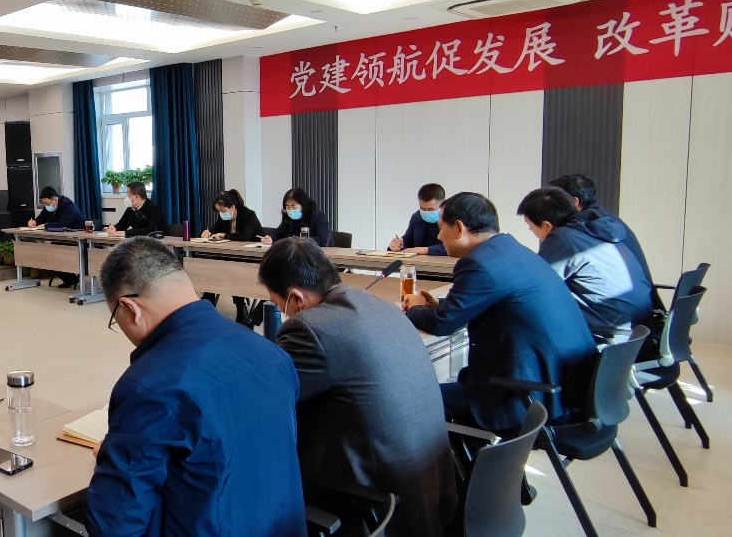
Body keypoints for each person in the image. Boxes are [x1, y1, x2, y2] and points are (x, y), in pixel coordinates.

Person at [87, 237, 306, 536]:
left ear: (130, 308)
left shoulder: (148, 385)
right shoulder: (273, 354)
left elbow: (114, 526)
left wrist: (110, 460)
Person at [258, 238, 456, 537]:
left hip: (379, 510)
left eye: (277, 303)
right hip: (432, 496)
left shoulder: (309, 328)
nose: (282, 312)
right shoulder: (385, 307)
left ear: (296, 298)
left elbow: (267, 399)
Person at [401, 193, 597, 431]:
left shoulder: (478, 263)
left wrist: (415, 307)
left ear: (459, 228)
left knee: (411, 401)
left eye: (441, 228)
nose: (439, 236)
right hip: (565, 388)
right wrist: (441, 306)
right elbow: (496, 302)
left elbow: (442, 324)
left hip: (529, 396)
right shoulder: (514, 251)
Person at [517, 187, 653, 343]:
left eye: (529, 225)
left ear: (547, 225)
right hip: (638, 330)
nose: (530, 229)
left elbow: (534, 287)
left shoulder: (563, 238)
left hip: (611, 334)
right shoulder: (596, 230)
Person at [548, 174, 658, 305]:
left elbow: (547, 277)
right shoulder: (607, 221)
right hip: (641, 304)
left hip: (617, 308)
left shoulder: (581, 229)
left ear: (574, 202)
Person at [199, 189, 262, 323]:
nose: (221, 214)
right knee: (213, 264)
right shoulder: (224, 218)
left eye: (223, 210)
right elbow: (214, 231)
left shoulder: (249, 215)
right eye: (219, 211)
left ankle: (240, 307)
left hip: (250, 257)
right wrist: (206, 233)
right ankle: (208, 301)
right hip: (231, 255)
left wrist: (225, 235)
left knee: (232, 268)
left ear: (233, 207)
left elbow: (245, 236)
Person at [28, 186, 85, 287]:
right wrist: (34, 222)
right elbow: (40, 219)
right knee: (49, 253)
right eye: (44, 204)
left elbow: (62, 223)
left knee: (54, 251)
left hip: (77, 239)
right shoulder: (48, 208)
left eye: (47, 203)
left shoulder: (68, 205)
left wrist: (46, 226)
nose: (46, 206)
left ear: (55, 200)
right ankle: (71, 279)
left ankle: (71, 279)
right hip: (63, 238)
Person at [260, 187, 333, 246]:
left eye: (294, 207)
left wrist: (299, 240)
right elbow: (278, 233)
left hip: (320, 254)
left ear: (303, 205)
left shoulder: (317, 216)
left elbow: (323, 240)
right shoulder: (288, 216)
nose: (290, 210)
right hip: (295, 254)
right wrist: (271, 238)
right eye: (287, 207)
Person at [390, 183, 447, 256]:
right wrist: (397, 246)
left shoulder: (452, 219)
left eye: (431, 209)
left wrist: (427, 250)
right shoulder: (417, 217)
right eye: (422, 209)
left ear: (443, 206)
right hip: (419, 261)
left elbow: (457, 247)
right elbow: (408, 241)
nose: (426, 212)